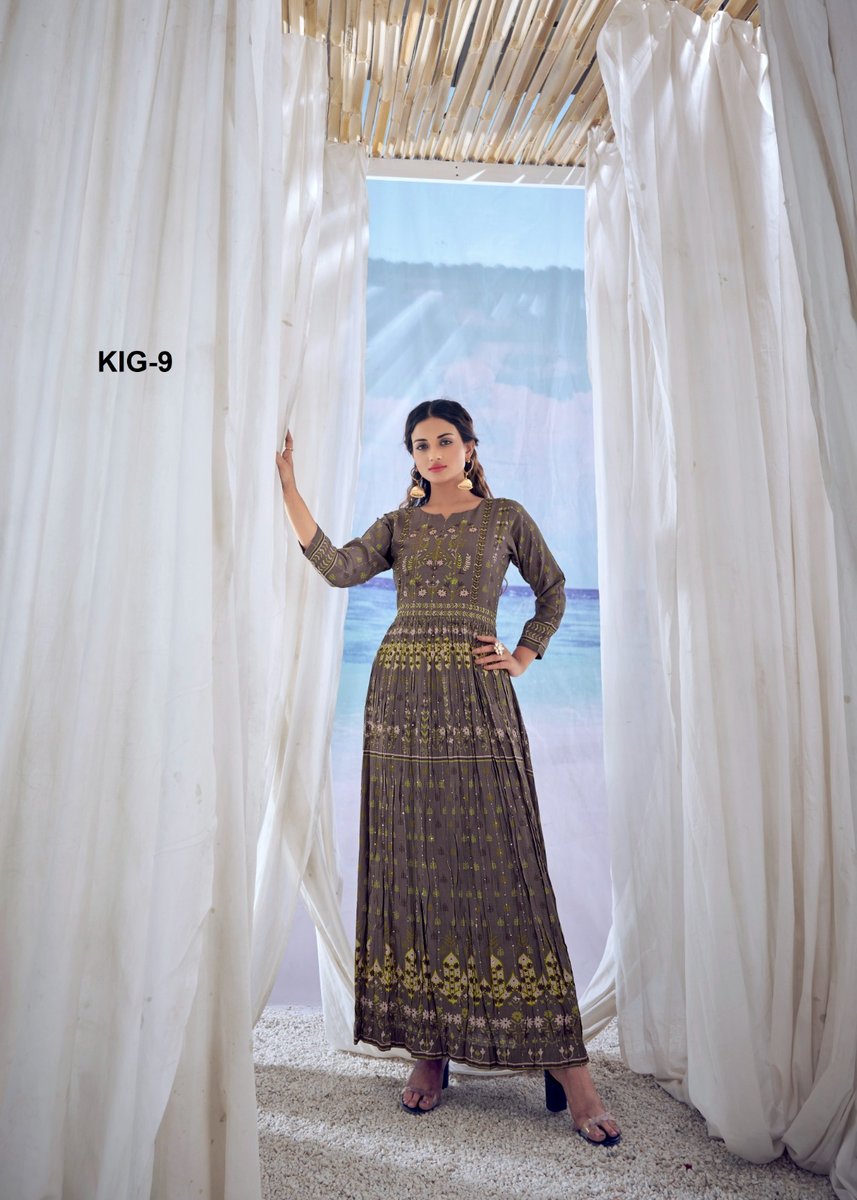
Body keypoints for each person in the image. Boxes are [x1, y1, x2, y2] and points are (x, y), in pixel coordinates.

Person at [275, 399, 621, 1146]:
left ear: (469, 446)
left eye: (444, 440)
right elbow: (338, 568)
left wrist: (523, 654)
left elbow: (553, 589)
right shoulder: (398, 525)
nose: (431, 453)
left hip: (475, 697)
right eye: (418, 444)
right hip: (399, 699)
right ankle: (429, 1050)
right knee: (412, 864)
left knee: (506, 864)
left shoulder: (505, 519)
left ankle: (568, 1064)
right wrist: (289, 488)